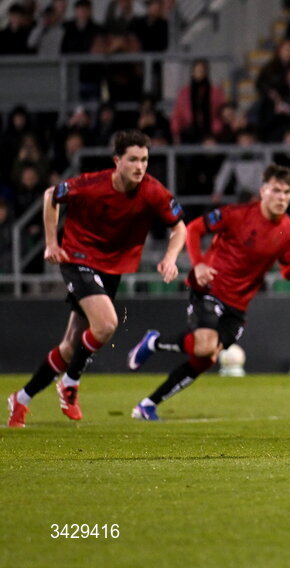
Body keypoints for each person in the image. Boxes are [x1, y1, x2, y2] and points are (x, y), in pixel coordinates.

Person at [6, 130, 186, 428]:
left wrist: (170, 258)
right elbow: (51, 195)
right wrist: (52, 243)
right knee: (106, 324)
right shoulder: (92, 184)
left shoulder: (153, 191)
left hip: (111, 268)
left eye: (144, 159)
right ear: (117, 161)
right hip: (78, 259)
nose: (140, 166)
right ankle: (70, 382)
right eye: (132, 160)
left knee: (69, 347)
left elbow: (179, 227)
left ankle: (21, 399)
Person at [126, 165, 290, 420]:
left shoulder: (288, 229)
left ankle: (147, 404)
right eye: (276, 191)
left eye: (287, 192)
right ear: (263, 191)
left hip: (239, 304)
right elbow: (193, 229)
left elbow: (286, 271)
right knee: (205, 346)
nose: (282, 197)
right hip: (209, 287)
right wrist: (198, 263)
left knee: (206, 358)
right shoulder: (237, 215)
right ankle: (153, 342)